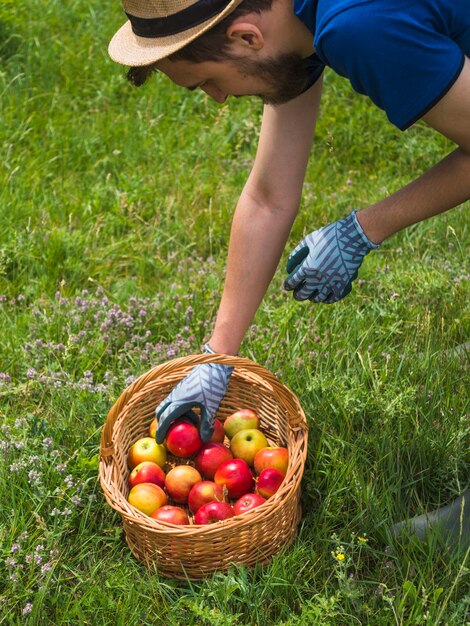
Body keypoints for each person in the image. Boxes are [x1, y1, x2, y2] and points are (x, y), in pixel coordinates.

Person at [108, 0, 470, 547]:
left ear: (249, 36)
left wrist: (366, 227)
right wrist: (217, 354)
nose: (220, 98)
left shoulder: (359, 25)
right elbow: (269, 198)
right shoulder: (296, 23)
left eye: (208, 80)